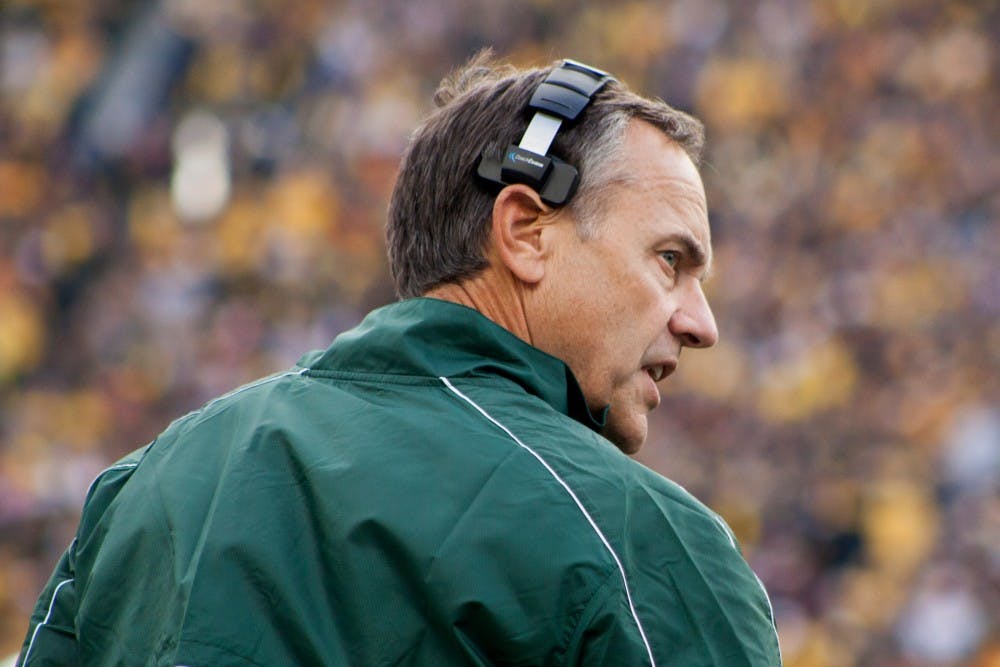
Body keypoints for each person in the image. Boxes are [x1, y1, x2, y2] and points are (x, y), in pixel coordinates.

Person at [19, 53, 782, 666]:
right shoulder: (638, 542)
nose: (701, 323)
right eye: (670, 259)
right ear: (524, 231)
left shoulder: (143, 484)